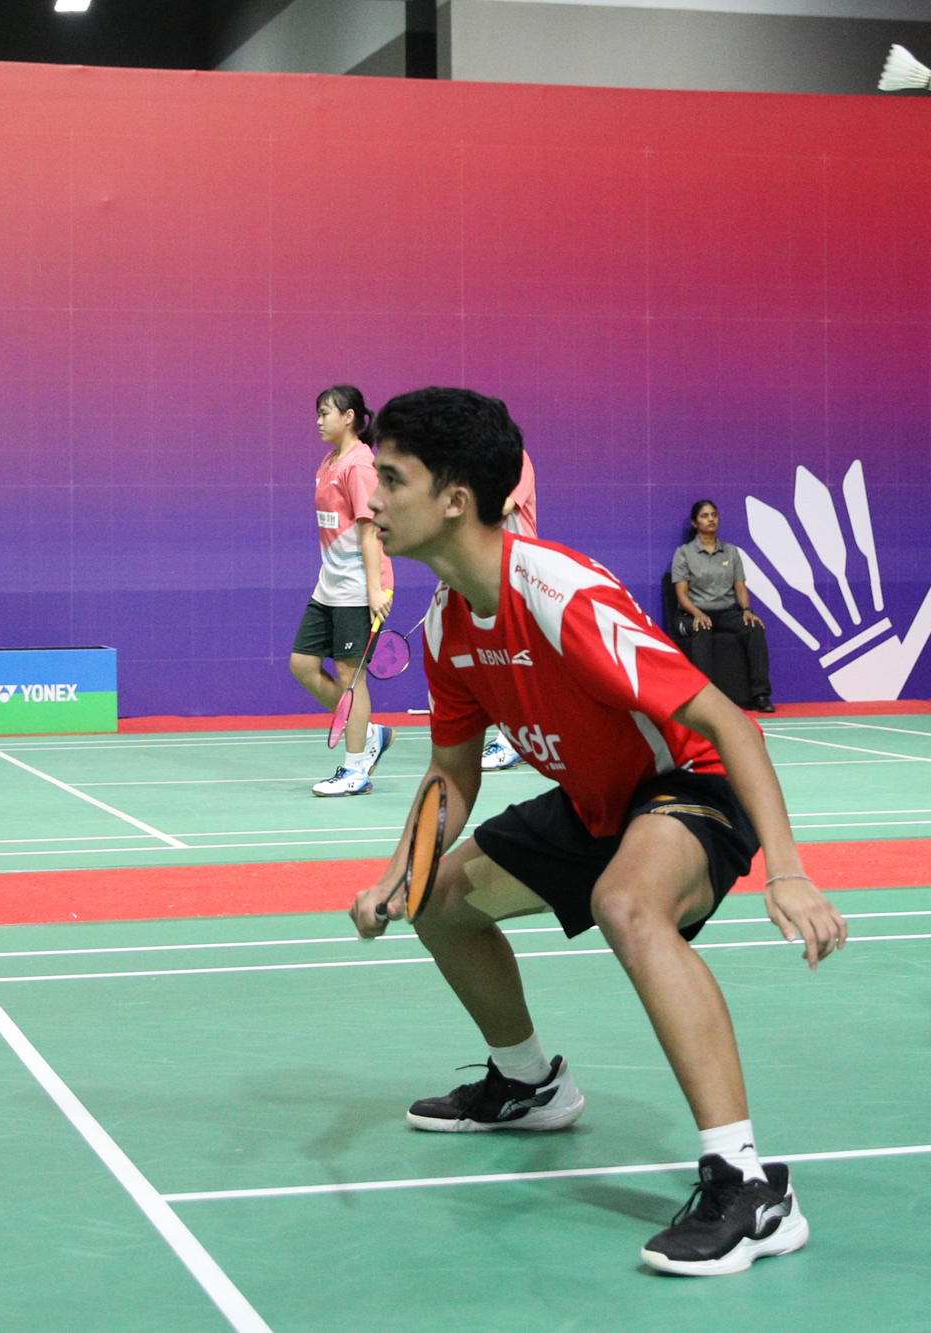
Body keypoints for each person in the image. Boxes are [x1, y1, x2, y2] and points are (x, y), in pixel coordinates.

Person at [353, 388, 845, 1276]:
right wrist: (401, 872)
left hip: (690, 782)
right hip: (595, 799)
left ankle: (748, 1187)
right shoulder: (447, 625)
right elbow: (452, 774)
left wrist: (789, 871)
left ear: (455, 498)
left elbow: (729, 721)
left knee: (627, 901)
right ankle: (528, 1083)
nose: (372, 500)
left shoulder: (559, 596)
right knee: (440, 902)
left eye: (392, 479)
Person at [291, 385, 395, 796]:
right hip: (329, 586)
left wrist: (375, 590)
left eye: (325, 413)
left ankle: (355, 770)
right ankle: (368, 732)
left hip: (358, 588)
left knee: (352, 677)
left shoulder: (360, 465)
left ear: (349, 416)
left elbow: (370, 531)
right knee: (303, 664)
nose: (318, 421)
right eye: (318, 413)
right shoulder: (330, 461)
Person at [671, 501, 774, 713]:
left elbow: (740, 588)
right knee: (703, 627)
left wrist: (747, 611)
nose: (711, 519)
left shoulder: (731, 552)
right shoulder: (684, 553)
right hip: (692, 613)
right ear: (695, 523)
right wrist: (697, 613)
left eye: (714, 515)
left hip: (726, 612)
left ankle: (761, 695)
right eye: (704, 516)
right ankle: (706, 700)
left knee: (754, 628)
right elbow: (681, 595)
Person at [479, 449, 539, 772]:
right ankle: (519, 737)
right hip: (491, 568)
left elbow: (502, 507)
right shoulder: (476, 460)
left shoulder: (517, 459)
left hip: (520, 568)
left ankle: (512, 741)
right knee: (498, 657)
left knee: (513, 656)